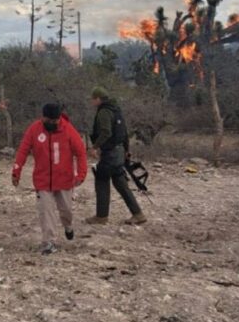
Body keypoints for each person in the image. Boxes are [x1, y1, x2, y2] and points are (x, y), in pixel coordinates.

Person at [12, 103, 87, 254]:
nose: (53, 124)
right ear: (43, 117)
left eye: (56, 121)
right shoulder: (34, 129)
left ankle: (68, 226)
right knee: (46, 211)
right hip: (43, 179)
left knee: (66, 210)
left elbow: (80, 153)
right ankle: (48, 242)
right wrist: (16, 170)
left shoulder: (68, 130)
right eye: (50, 121)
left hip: (64, 179)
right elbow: (23, 150)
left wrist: (81, 174)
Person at [86, 87, 145, 225]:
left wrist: (95, 147)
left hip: (110, 152)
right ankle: (138, 214)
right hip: (119, 152)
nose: (92, 101)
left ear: (98, 99)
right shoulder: (116, 110)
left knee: (101, 180)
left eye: (93, 99)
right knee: (120, 182)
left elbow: (106, 132)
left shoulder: (104, 112)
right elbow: (124, 132)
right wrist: (126, 149)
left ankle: (101, 216)